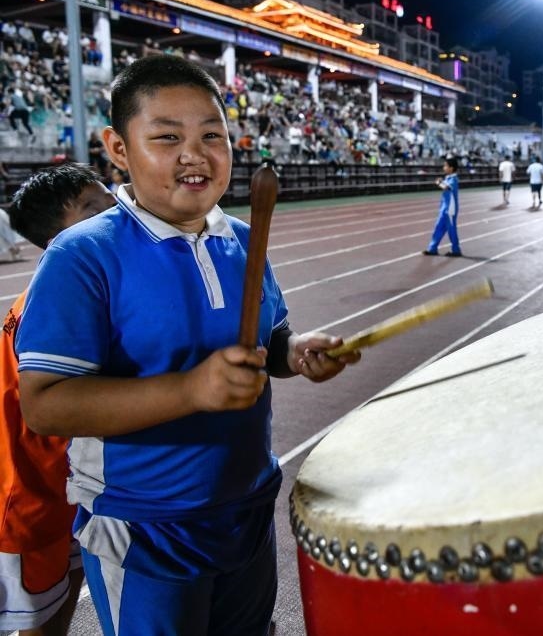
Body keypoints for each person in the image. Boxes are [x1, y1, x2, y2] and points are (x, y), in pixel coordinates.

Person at [15, 54, 361, 635]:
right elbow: (45, 404)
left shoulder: (243, 238)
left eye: (211, 136)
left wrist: (297, 352)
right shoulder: (82, 255)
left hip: (247, 507)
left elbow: (270, 339)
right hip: (144, 525)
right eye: (167, 137)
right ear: (118, 149)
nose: (194, 155)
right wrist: (191, 390)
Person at [0, 164, 116, 636]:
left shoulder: (77, 285)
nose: (114, 211)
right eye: (93, 208)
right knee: (38, 621)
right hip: (30, 494)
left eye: (110, 198)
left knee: (64, 592)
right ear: (57, 239)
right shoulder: (53, 301)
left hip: (64, 485)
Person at [423, 156, 461, 257]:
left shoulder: (454, 179)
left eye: (445, 166)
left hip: (450, 209)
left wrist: (439, 182)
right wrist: (441, 182)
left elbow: (446, 187)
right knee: (438, 227)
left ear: (451, 168)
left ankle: (456, 250)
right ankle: (432, 248)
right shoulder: (448, 178)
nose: (444, 168)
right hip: (444, 207)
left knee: (451, 229)